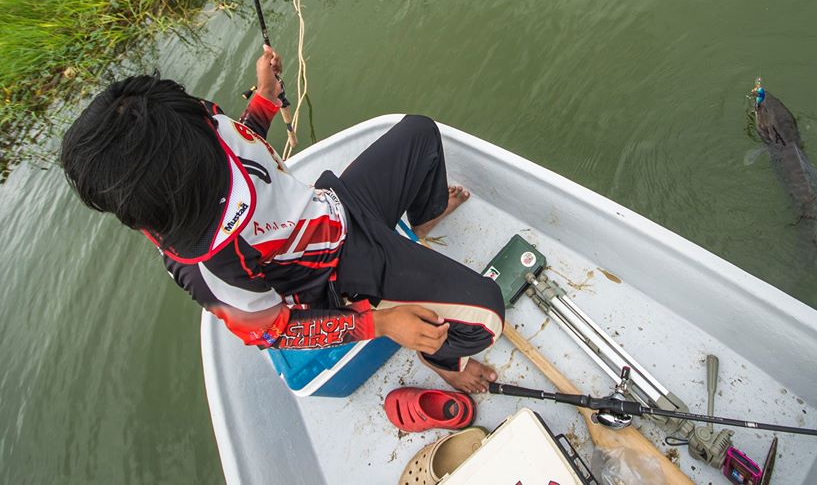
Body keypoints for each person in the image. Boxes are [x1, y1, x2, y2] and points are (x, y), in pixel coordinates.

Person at [60, 46, 504, 393]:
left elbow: (243, 145)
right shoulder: (207, 266)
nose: (211, 118)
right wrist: (383, 325)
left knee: (420, 131)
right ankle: (442, 360)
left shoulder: (194, 126)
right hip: (341, 271)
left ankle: (420, 221)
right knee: (488, 315)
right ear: (182, 178)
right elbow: (278, 332)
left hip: (332, 205)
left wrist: (264, 100)